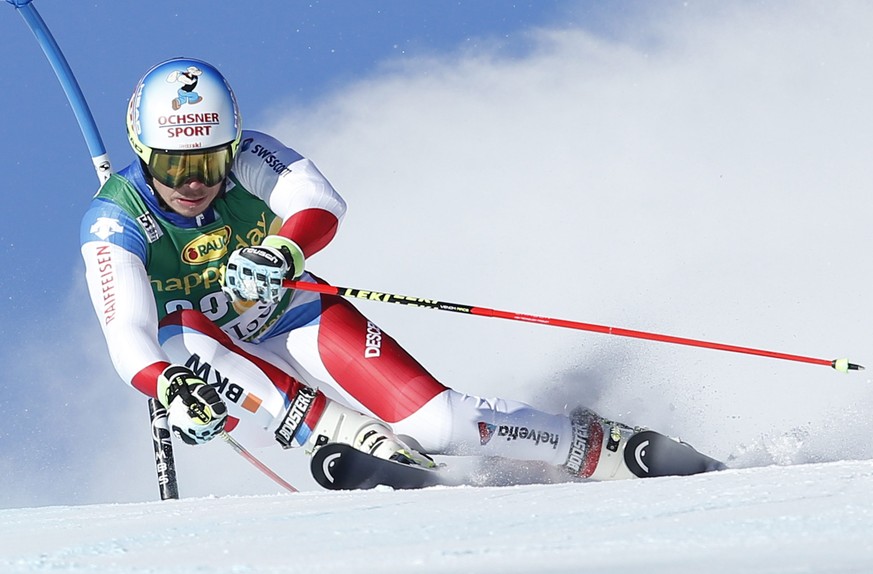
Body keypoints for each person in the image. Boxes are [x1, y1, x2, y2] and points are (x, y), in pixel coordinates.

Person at [81, 57, 697, 488]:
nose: (194, 181)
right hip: (213, 348)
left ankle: (593, 445)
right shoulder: (115, 221)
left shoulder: (250, 158)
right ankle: (346, 436)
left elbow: (320, 202)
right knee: (180, 337)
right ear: (142, 151)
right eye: (173, 163)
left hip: (293, 315)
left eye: (210, 161)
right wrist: (169, 389)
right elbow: (127, 336)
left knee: (438, 422)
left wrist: (280, 252)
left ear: (232, 146)